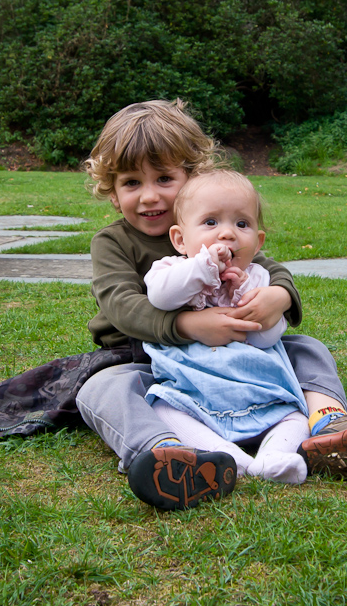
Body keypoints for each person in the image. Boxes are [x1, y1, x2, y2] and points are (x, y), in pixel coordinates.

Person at [78, 99, 347, 510]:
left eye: (164, 178)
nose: (149, 196)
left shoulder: (216, 226)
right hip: (145, 355)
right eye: (131, 183)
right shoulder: (113, 241)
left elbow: (269, 266)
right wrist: (189, 326)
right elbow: (120, 304)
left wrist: (279, 295)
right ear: (113, 193)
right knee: (100, 388)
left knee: (306, 348)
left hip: (233, 352)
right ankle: (165, 452)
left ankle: (328, 424)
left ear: (190, 177)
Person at [143, 169, 311, 484]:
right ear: (180, 239)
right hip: (191, 382)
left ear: (258, 242)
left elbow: (267, 339)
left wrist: (248, 299)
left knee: (296, 416)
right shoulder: (170, 270)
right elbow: (162, 298)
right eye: (210, 222)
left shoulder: (260, 279)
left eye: (242, 224)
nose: (227, 234)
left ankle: (274, 457)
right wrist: (203, 268)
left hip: (255, 383)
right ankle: (225, 456)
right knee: (163, 409)